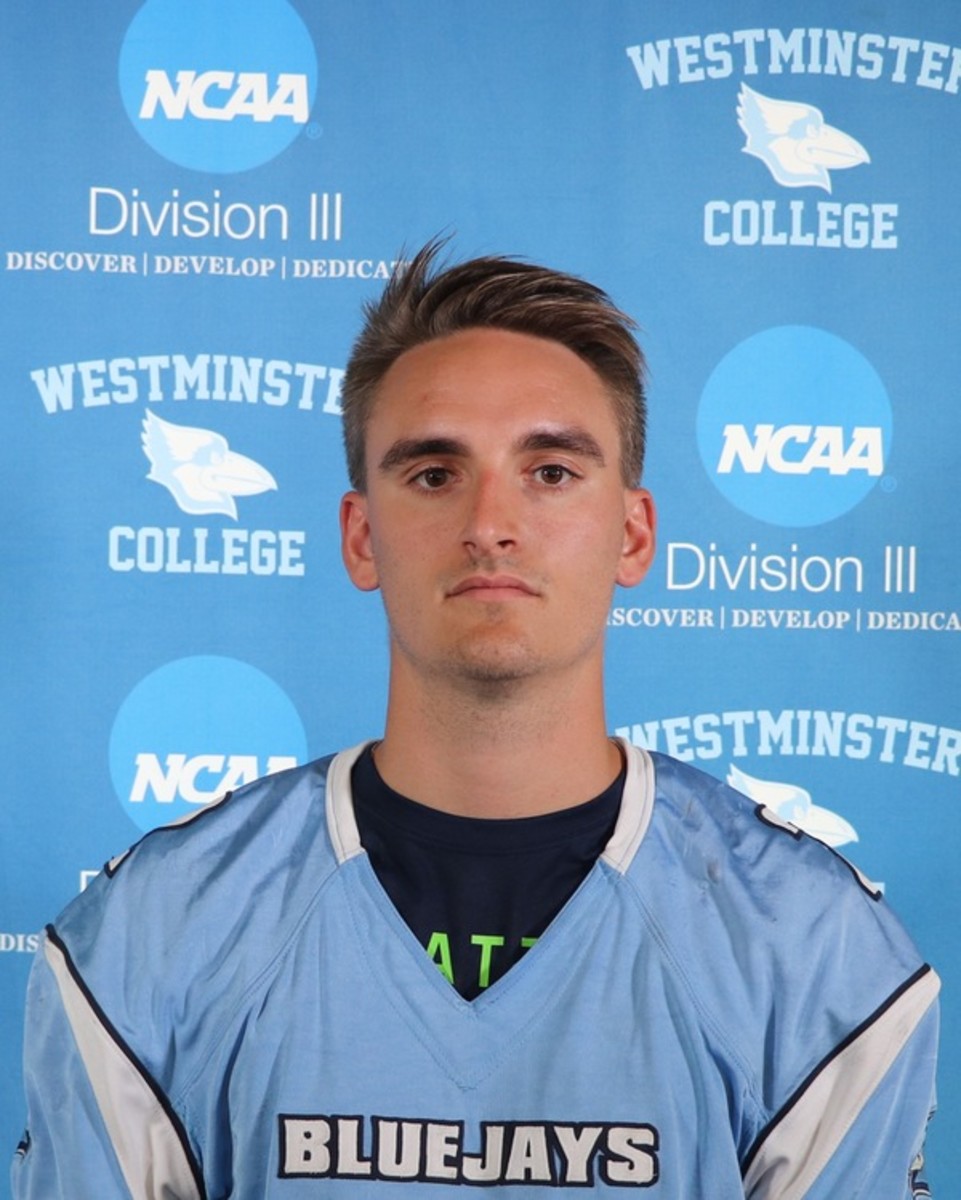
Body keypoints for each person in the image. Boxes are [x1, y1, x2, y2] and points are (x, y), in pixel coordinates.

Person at [12, 242, 939, 1198]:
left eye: (551, 472)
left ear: (632, 535)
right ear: (360, 537)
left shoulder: (809, 946)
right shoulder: (160, 929)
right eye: (433, 474)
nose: (490, 523)